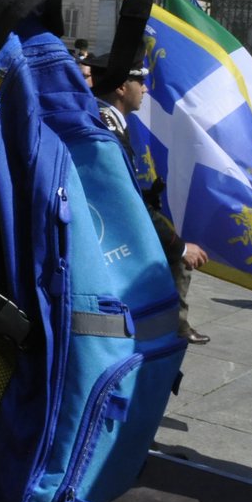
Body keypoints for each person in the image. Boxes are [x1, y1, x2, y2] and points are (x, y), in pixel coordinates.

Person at [86, 55, 210, 344]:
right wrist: (179, 247)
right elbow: (122, 200)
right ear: (120, 87)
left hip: (115, 221)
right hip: (111, 233)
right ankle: (165, 327)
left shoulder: (110, 119)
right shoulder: (108, 128)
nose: (145, 89)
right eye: (139, 81)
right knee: (177, 258)